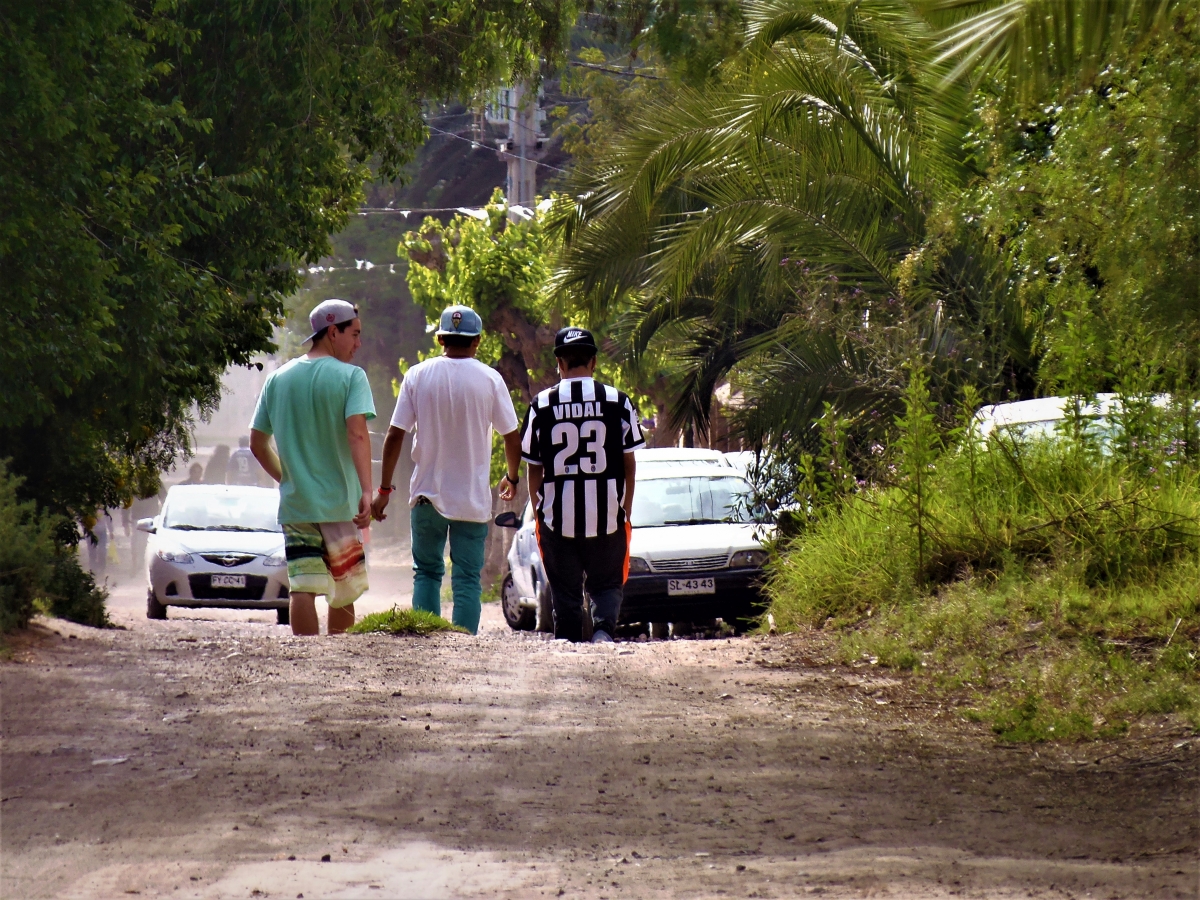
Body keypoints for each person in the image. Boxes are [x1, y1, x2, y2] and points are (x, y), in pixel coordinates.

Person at [371, 304, 521, 635]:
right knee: (467, 577)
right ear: (478, 341)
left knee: (426, 572)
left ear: (440, 338)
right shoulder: (490, 379)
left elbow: (395, 434)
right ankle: (463, 647)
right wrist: (511, 476)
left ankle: (426, 641)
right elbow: (512, 435)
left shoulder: (417, 375)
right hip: (472, 500)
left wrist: (383, 490)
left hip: (426, 495)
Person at [249, 299, 376, 636]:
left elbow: (257, 444)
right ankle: (335, 660)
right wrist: (367, 490)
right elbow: (357, 433)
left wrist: (288, 478)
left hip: (298, 504)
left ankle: (305, 661)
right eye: (355, 334)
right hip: (341, 503)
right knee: (343, 586)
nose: (358, 344)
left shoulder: (278, 379)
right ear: (333, 332)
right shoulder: (351, 377)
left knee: (302, 586)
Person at [519, 327, 645, 642]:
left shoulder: (541, 405)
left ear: (559, 363)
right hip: (608, 518)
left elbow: (534, 467)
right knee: (606, 584)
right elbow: (630, 464)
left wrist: (539, 509)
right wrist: (624, 510)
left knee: (565, 590)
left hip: (557, 520)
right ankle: (603, 632)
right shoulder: (618, 401)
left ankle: (570, 642)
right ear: (594, 361)